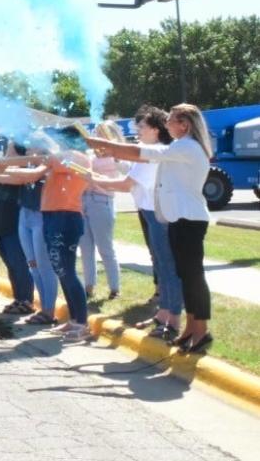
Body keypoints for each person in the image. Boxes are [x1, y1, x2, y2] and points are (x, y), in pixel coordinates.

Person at [88, 103, 213, 353]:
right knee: (187, 277)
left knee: (192, 277)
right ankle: (191, 328)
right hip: (178, 218)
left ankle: (201, 331)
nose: (166, 125)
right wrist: (111, 150)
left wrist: (110, 147)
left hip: (188, 219)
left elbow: (145, 153)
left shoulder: (186, 146)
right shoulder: (182, 146)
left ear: (184, 125)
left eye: (171, 121)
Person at [0, 133, 93, 341]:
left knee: (67, 272)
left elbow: (35, 166)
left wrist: (3, 163)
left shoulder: (74, 158)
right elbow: (32, 168)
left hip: (66, 218)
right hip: (54, 216)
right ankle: (74, 320)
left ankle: (82, 323)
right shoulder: (61, 159)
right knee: (62, 271)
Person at [89, 106, 181, 340]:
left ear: (155, 129)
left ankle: (172, 320)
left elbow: (125, 184)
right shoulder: (150, 152)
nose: (136, 129)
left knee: (168, 269)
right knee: (161, 265)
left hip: (158, 215)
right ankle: (163, 314)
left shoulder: (155, 152)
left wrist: (92, 178)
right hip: (152, 213)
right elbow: (131, 171)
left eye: (141, 126)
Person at [0, 140, 36, 315]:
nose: (5, 153)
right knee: (10, 265)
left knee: (19, 264)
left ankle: (26, 300)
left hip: (13, 225)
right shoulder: (2, 168)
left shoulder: (21, 171)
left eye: (9, 150)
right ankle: (18, 298)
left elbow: (7, 175)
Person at [80, 122, 123, 300]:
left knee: (105, 247)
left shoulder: (117, 154)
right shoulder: (90, 153)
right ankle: (89, 286)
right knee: (85, 247)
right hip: (85, 199)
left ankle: (114, 287)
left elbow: (118, 174)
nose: (96, 136)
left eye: (100, 133)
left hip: (101, 199)